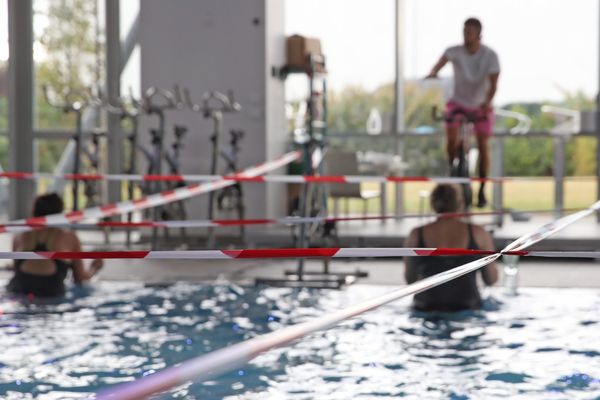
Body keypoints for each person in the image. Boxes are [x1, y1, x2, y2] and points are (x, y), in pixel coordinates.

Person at [426, 17, 500, 208]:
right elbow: (441, 62)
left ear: (479, 35)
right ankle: (453, 165)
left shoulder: (490, 56)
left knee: (483, 144)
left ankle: (482, 189)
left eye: (470, 32)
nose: (466, 35)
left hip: (480, 105)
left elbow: (493, 86)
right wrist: (433, 72)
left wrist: (486, 103)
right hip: (457, 102)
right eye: (464, 31)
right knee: (451, 137)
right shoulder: (455, 51)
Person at [404, 184, 497, 311]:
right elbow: (491, 279)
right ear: (461, 203)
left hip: (426, 308)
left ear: (433, 204)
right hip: (467, 308)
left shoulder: (416, 234)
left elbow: (410, 279)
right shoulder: (479, 233)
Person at [7, 193, 103, 297]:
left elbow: (17, 271)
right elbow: (80, 278)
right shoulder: (69, 237)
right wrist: (94, 268)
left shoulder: (19, 236)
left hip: (17, 292)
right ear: (59, 214)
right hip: (52, 294)